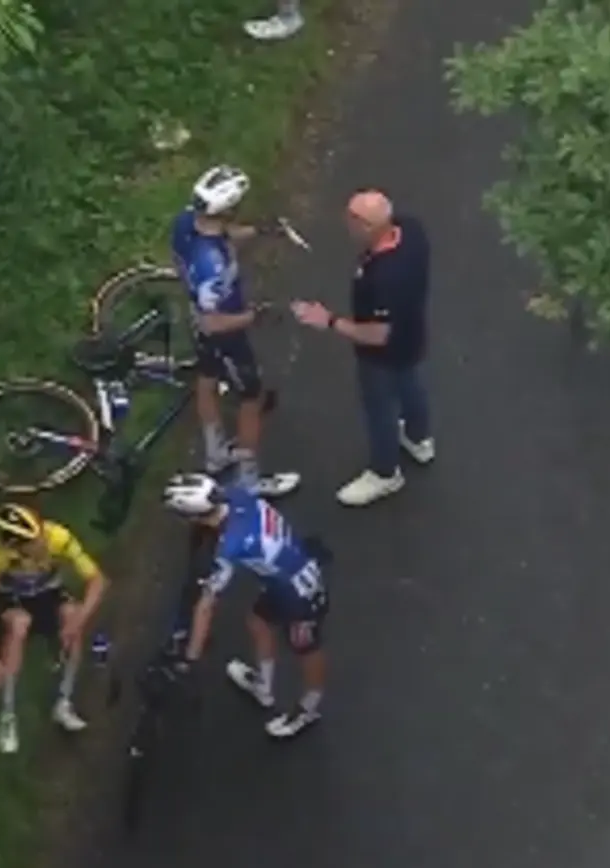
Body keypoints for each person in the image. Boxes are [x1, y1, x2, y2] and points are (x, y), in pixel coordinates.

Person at [291, 189, 434, 507]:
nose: (346, 224)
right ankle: (418, 438)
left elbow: (377, 335)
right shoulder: (410, 229)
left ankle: (385, 473)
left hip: (382, 354)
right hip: (413, 336)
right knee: (411, 385)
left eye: (352, 220)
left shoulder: (386, 278)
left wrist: (328, 320)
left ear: (369, 227)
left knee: (380, 409)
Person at [162, 472, 329, 739]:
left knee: (307, 648)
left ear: (194, 517)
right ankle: (264, 688)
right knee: (257, 620)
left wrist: (191, 658)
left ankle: (309, 707)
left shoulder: (230, 548)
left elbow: (207, 605)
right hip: (283, 578)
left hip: (301, 591)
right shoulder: (237, 494)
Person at [170, 165, 300, 500]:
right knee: (251, 396)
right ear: (226, 209)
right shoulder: (210, 264)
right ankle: (248, 480)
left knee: (207, 378)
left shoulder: (187, 223)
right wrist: (255, 316)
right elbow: (214, 322)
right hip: (224, 333)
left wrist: (259, 231)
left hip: (195, 316)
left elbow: (222, 235)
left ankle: (215, 454)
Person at [0, 503, 107, 754]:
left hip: (48, 592)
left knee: (71, 614)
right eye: (34, 541)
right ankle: (7, 716)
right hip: (12, 599)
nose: (42, 541)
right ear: (15, 546)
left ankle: (64, 701)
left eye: (41, 533)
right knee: (18, 625)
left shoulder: (58, 537)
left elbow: (97, 580)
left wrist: (79, 620)